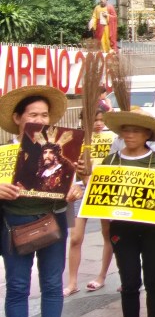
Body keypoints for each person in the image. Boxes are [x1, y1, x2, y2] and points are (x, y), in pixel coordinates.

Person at [0, 84, 78, 317]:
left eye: (45, 115)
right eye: (33, 114)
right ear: (18, 118)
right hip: (15, 225)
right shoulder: (4, 153)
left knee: (52, 284)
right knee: (18, 287)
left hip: (53, 221)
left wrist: (75, 189)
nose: (40, 120)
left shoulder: (61, 151)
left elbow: (76, 182)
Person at [101, 109, 155, 317]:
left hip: (154, 228)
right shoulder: (110, 162)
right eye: (126, 130)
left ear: (147, 134)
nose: (129, 135)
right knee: (129, 281)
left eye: (135, 130)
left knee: (154, 279)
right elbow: (100, 198)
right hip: (123, 229)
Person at [65, 109, 114, 297]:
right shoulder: (74, 139)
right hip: (80, 189)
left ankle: (101, 276)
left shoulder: (111, 139)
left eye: (102, 120)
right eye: (95, 120)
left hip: (104, 188)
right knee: (76, 237)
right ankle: (72, 282)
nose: (99, 124)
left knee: (108, 234)